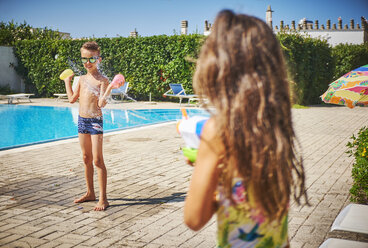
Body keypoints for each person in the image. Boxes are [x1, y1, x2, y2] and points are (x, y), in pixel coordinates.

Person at [184, 10, 309, 247]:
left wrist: (206, 172)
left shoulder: (218, 130)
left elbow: (193, 219)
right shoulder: (274, 124)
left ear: (217, 69)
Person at [64, 41, 120, 211]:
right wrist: (67, 81)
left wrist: (103, 99)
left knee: (97, 159)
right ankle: (90, 193)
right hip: (82, 120)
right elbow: (72, 99)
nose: (87, 63)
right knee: (86, 158)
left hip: (95, 122)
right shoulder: (81, 79)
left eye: (91, 59)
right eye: (84, 59)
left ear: (98, 59)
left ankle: (103, 198)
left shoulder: (103, 80)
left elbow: (102, 102)